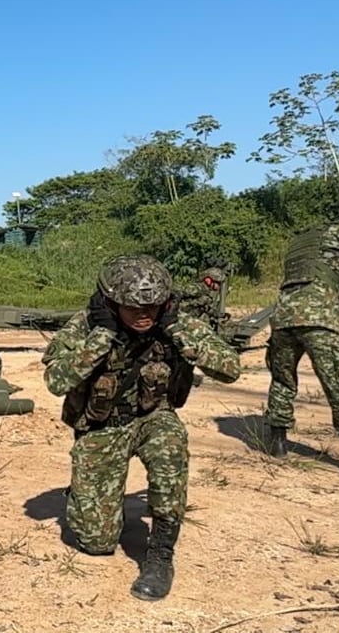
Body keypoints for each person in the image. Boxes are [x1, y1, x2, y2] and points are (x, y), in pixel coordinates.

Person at [41, 254, 241, 602]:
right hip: (103, 426)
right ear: (110, 302)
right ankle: (85, 496)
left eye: (153, 306)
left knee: (171, 447)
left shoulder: (175, 322)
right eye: (133, 308)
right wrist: (102, 337)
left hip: (154, 417)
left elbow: (230, 368)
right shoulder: (87, 325)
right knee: (96, 543)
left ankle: (160, 555)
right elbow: (56, 381)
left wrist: (178, 333)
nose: (144, 314)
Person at [264, 211, 339, 474]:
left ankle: (278, 444)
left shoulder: (302, 241)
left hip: (283, 317)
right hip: (321, 317)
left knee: (282, 380)